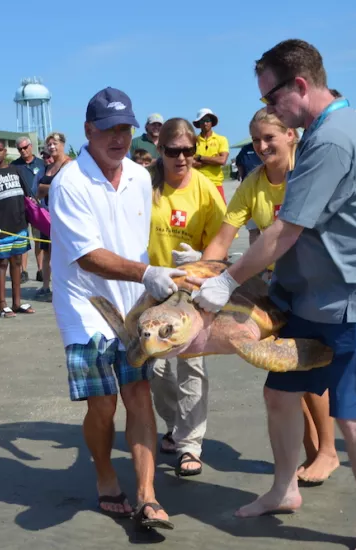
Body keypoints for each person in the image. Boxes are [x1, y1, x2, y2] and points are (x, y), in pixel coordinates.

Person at [191, 39, 356, 549]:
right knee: (280, 394)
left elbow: (285, 230)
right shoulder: (319, 135)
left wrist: (225, 282)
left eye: (272, 99)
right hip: (319, 297)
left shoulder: (334, 138)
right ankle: (284, 489)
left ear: (300, 85)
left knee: (354, 417)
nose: (270, 110)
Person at [50, 87, 178, 530]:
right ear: (89, 131)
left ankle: (147, 494)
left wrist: (164, 271)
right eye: (109, 129)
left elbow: (137, 241)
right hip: (85, 307)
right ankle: (106, 475)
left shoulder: (142, 178)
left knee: (139, 394)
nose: (119, 138)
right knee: (102, 404)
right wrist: (146, 273)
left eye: (125, 128)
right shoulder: (70, 182)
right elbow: (87, 255)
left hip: (132, 304)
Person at [202, 108, 341, 485]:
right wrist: (201, 274)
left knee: (310, 371)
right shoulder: (253, 183)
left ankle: (328, 451)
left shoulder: (306, 174)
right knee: (289, 371)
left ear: (292, 136)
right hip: (279, 290)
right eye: (256, 140)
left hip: (319, 285)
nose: (262, 147)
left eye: (270, 138)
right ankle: (314, 455)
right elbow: (223, 237)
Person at [145, 118, 225, 477]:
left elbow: (220, 242)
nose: (181, 158)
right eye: (172, 151)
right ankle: (176, 423)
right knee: (156, 366)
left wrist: (202, 261)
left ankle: (190, 444)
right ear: (159, 149)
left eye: (188, 151)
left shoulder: (205, 189)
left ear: (196, 151)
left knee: (192, 363)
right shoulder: (144, 184)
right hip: (150, 287)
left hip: (190, 289)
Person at [0, 138, 35, 318]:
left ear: (5, 151)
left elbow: (27, 197)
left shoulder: (16, 170)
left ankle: (17, 302)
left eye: (0, 150)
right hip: (0, 227)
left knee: (17, 262)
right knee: (2, 263)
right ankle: (2, 303)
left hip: (19, 224)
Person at [35, 132, 71, 301]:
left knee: (62, 254)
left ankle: (63, 287)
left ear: (63, 144)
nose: (52, 147)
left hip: (64, 216)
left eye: (55, 143)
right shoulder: (48, 167)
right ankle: (45, 286)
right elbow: (37, 192)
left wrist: (46, 188)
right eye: (49, 144)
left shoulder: (69, 165)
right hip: (47, 214)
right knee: (47, 252)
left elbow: (68, 188)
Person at [11, 136, 46, 283]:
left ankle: (40, 270)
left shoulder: (42, 163)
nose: (23, 151)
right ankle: (23, 270)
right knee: (23, 240)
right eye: (20, 149)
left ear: (31, 146)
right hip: (21, 206)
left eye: (25, 147)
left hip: (38, 206)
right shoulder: (14, 165)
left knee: (39, 239)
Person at [192, 109, 230, 200]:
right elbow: (191, 164)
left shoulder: (221, 139)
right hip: (198, 184)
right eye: (202, 121)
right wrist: (213, 159)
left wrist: (200, 157)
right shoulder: (193, 141)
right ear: (199, 123)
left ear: (211, 122)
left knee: (220, 213)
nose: (205, 123)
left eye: (207, 120)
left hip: (216, 184)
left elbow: (222, 160)